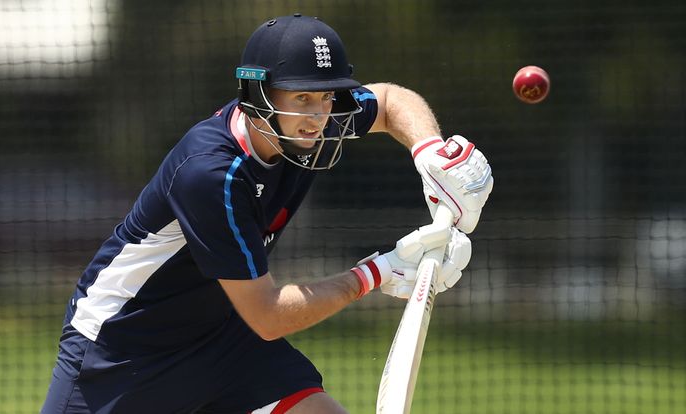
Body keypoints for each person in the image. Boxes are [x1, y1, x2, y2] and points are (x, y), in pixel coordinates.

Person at [41, 14, 492, 414]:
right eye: (302, 100)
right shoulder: (211, 174)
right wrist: (377, 272)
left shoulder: (313, 121)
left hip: (224, 340)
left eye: (327, 98)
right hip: (123, 351)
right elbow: (269, 315)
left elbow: (392, 101)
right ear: (258, 94)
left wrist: (429, 151)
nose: (318, 118)